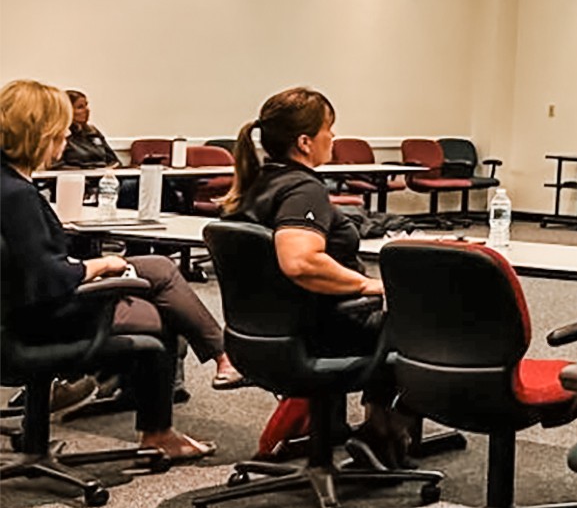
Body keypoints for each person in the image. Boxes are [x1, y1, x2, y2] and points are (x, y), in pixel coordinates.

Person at [0, 79, 215, 461]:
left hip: (15, 312)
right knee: (161, 319)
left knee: (156, 273)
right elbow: (51, 278)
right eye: (62, 132)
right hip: (34, 322)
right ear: (41, 134)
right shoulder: (17, 196)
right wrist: (103, 265)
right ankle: (158, 431)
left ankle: (211, 361)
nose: (67, 137)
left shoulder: (9, 184)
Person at [222, 86, 412, 464]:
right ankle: (381, 430)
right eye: (330, 129)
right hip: (317, 334)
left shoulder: (258, 183)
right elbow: (300, 261)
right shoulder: (303, 188)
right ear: (306, 141)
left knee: (392, 319)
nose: (334, 137)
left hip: (259, 337)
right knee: (426, 324)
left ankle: (368, 430)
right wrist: (366, 284)